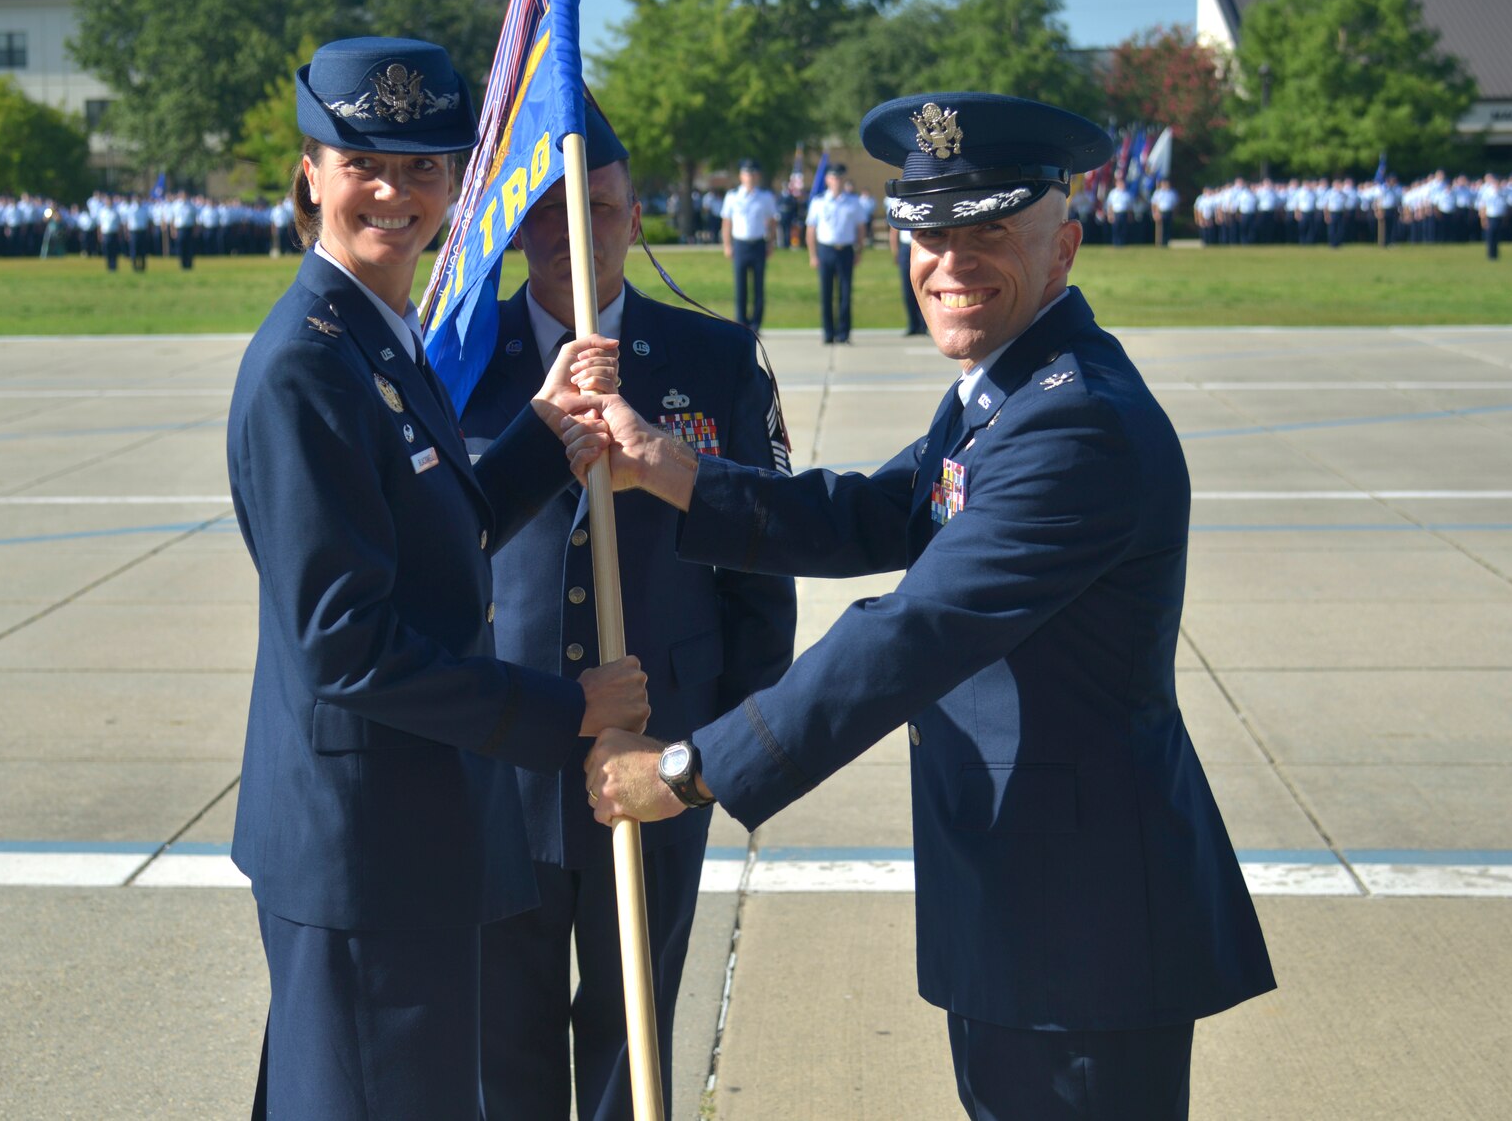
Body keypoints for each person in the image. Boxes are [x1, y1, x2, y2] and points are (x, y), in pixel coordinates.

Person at [577, 92, 1275, 1121]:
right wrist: (673, 470)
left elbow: (910, 634)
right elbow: (875, 511)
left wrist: (686, 771)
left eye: (988, 230)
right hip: (1024, 892)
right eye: (927, 233)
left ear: (1064, 246)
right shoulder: (1006, 390)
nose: (948, 262)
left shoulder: (1069, 426)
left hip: (1076, 921)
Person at [227, 37, 651, 1120]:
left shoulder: (375, 333)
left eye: (423, 168)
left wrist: (544, 428)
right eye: (363, 161)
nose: (394, 193)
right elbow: (345, 643)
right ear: (309, 172)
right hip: (365, 839)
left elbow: (430, 532)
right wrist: (564, 712)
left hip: (402, 827)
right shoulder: (305, 367)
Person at [462, 104, 796, 1121]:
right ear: (518, 226)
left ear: (635, 217)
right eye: (552, 211)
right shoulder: (456, 363)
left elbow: (759, 573)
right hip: (497, 751)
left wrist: (720, 745)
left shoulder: (715, 358)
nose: (576, 232)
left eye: (599, 209)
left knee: (632, 1036)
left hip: (656, 751)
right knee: (498, 1039)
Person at [806, 164, 865, 344]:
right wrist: (813, 255)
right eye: (833, 177)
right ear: (827, 180)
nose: (836, 181)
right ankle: (828, 333)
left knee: (845, 294)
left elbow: (860, 229)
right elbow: (810, 230)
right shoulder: (819, 202)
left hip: (845, 250)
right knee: (826, 293)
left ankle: (844, 333)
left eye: (839, 178)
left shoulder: (853, 202)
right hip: (826, 250)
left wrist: (859, 251)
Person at [719, 158, 778, 331]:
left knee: (758, 287)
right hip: (740, 244)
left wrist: (771, 243)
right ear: (741, 176)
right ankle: (742, 323)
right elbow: (726, 222)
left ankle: (756, 323)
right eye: (747, 173)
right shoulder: (733, 196)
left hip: (758, 243)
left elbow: (772, 221)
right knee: (741, 286)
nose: (750, 177)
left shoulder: (765, 197)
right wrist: (727, 245)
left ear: (758, 176)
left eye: (753, 173)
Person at [1150, 177, 1178, 245]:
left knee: (1167, 228)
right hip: (1161, 212)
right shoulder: (1158, 193)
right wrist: (1155, 213)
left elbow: (1175, 204)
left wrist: (1175, 213)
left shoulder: (1172, 193)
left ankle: (1166, 242)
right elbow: (1154, 204)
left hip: (1169, 211)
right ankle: (1160, 242)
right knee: (1161, 228)